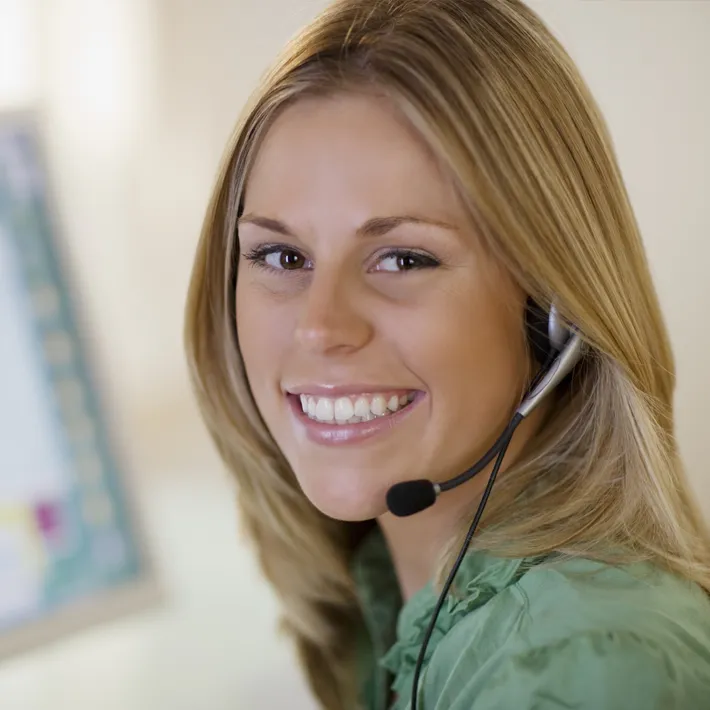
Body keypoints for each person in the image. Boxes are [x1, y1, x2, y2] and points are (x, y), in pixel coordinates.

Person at [183, 0, 710, 708]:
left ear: (552, 312)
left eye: (403, 259)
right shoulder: (403, 590)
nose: (321, 326)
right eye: (282, 254)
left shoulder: (575, 666)